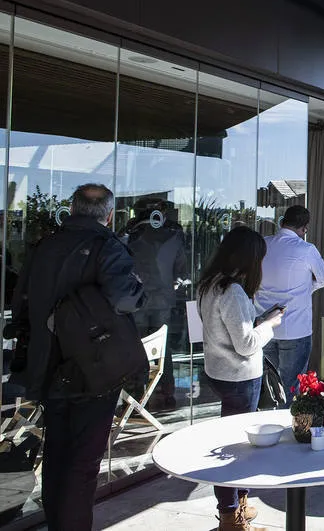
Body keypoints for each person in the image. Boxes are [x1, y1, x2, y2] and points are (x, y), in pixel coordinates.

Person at [7, 184, 145, 531]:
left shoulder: (44, 246)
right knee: (82, 464)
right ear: (109, 215)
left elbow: (20, 301)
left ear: (72, 208)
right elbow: (124, 298)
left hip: (46, 365)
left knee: (56, 457)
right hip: (91, 369)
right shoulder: (106, 246)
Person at [198, 225, 284, 530]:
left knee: (231, 443)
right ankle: (231, 516)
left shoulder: (209, 285)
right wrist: (269, 325)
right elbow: (246, 344)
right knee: (235, 450)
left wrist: (257, 321)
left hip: (219, 373)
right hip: (240, 377)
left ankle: (237, 507)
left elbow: (227, 331)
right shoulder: (232, 291)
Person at [256, 206, 324, 402]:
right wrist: (305, 290)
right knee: (291, 389)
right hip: (295, 328)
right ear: (304, 229)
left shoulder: (263, 244)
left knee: (269, 387)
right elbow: (322, 279)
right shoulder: (306, 250)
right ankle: (288, 428)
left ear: (281, 222)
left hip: (264, 326)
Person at [126, 199, 188, 411]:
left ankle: (137, 392)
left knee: (138, 346)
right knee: (162, 348)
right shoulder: (174, 236)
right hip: (162, 299)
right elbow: (181, 270)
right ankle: (166, 391)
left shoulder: (133, 235)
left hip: (139, 299)